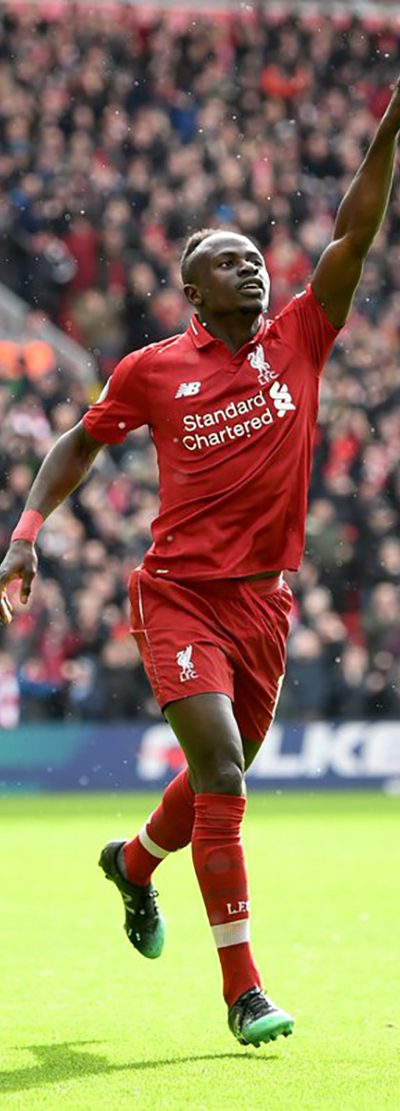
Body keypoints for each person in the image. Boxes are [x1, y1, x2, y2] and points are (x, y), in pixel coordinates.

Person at [1, 80, 400, 1049]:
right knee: (222, 767)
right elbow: (79, 441)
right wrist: (25, 532)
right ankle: (243, 991)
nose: (250, 268)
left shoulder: (301, 335)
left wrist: (390, 127)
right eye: (228, 261)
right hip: (178, 596)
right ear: (192, 292)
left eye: (255, 257)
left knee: (219, 774)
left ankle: (134, 862)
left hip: (265, 606)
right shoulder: (151, 370)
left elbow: (353, 232)